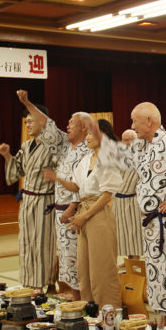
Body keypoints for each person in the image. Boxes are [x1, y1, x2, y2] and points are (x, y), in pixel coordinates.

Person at [92, 102, 166, 328]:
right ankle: (162, 321)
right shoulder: (142, 145)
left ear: (149, 121)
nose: (131, 126)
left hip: (165, 223)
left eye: (134, 120)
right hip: (148, 221)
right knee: (154, 271)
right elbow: (115, 156)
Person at [16, 90, 88, 300]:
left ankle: (86, 299)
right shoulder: (65, 145)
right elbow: (48, 126)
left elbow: (85, 184)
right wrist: (27, 104)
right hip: (59, 211)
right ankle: (75, 298)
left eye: (71, 123)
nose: (67, 126)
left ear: (83, 127)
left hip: (78, 211)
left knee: (80, 258)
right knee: (67, 258)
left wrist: (72, 205)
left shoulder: (88, 149)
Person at [55, 119, 122, 308]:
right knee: (84, 267)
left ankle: (108, 311)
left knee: (101, 266)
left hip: (98, 213)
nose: (88, 138)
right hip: (84, 210)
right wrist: (57, 179)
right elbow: (76, 186)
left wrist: (84, 216)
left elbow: (107, 195)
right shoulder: (86, 160)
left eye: (91, 134)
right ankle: (89, 309)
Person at [0, 104, 57, 291]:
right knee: (26, 242)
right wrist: (7, 156)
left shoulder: (53, 147)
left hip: (45, 201)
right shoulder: (26, 145)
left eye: (31, 121)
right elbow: (16, 172)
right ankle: (29, 282)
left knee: (42, 243)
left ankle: (43, 283)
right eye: (26, 122)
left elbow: (64, 171)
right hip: (27, 201)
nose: (28, 125)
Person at [113, 129, 144, 259]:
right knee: (121, 237)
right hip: (117, 202)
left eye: (131, 139)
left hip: (133, 202)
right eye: (125, 139)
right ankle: (127, 266)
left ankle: (135, 265)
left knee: (134, 237)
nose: (128, 142)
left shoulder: (142, 157)